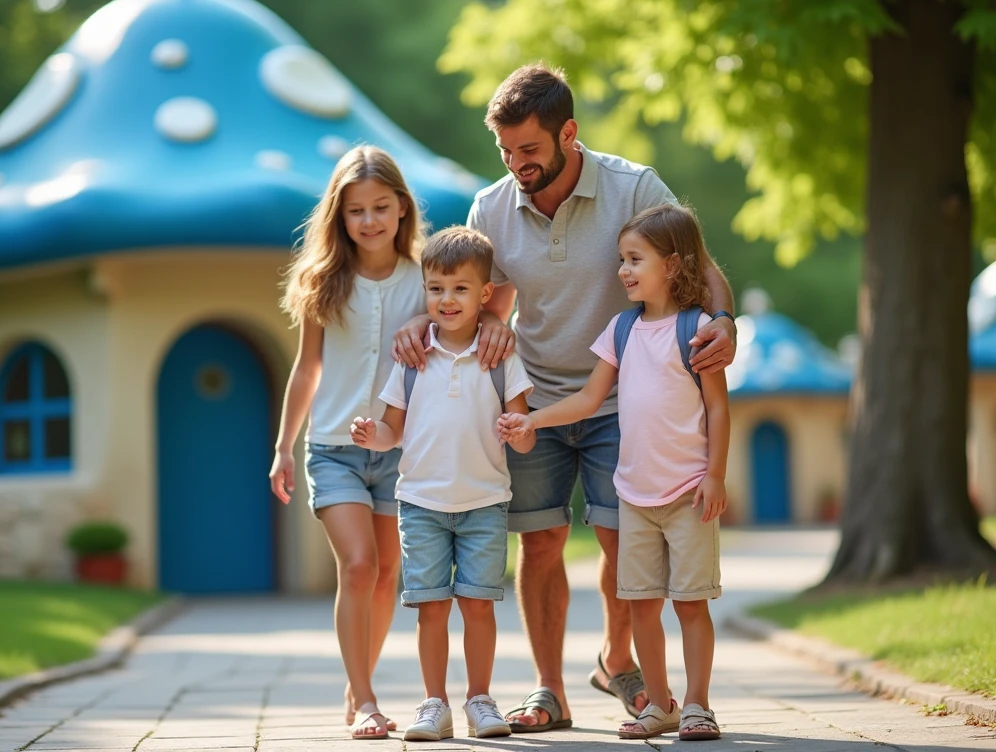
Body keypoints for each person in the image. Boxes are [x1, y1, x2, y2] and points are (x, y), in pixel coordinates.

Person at [393, 63, 737, 732]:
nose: (517, 163)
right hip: (534, 398)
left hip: (621, 402)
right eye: (506, 151)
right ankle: (549, 689)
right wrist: (427, 321)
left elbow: (701, 264)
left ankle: (616, 659)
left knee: (618, 538)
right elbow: (480, 301)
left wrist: (722, 321)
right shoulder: (491, 206)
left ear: (568, 133)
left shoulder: (632, 187)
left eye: (530, 149)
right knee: (541, 543)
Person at [499, 202, 729, 741]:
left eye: (633, 260)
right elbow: (588, 399)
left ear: (671, 265)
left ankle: (697, 704)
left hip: (690, 494)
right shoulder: (621, 329)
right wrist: (531, 420)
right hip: (636, 496)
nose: (622, 271)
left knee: (690, 605)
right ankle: (660, 706)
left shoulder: (695, 329)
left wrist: (715, 475)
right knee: (642, 608)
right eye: (622, 260)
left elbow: (717, 407)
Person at [350, 226, 536, 741]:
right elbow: (393, 431)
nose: (446, 299)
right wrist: (373, 435)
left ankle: (480, 701)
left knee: (478, 606)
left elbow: (524, 435)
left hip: (484, 503)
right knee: (431, 609)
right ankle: (435, 704)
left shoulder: (501, 358)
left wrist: (518, 432)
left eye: (459, 288)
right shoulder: (411, 359)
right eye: (436, 288)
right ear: (425, 291)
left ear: (485, 294)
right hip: (421, 504)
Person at [270, 145, 427, 740]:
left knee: (389, 573)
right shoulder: (322, 280)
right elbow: (307, 368)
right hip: (333, 447)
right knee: (359, 566)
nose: (369, 221)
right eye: (356, 211)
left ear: (402, 208)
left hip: (399, 450)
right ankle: (365, 699)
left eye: (381, 207)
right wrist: (285, 446)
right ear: (339, 216)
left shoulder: (423, 278)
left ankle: (357, 679)